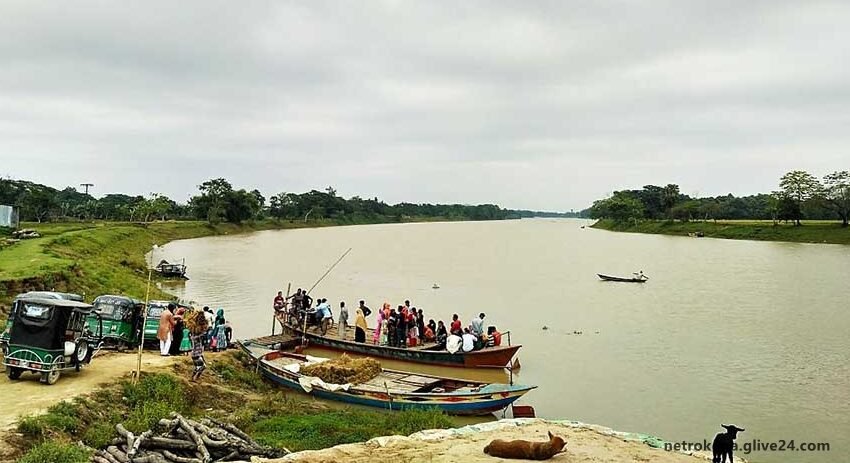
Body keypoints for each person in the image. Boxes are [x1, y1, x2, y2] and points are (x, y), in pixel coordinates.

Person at [189, 311, 208, 382]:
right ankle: (195, 378)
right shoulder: (195, 337)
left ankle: (193, 377)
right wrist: (202, 334)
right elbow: (196, 337)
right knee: (203, 366)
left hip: (195, 354)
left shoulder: (193, 335)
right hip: (196, 354)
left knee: (198, 367)